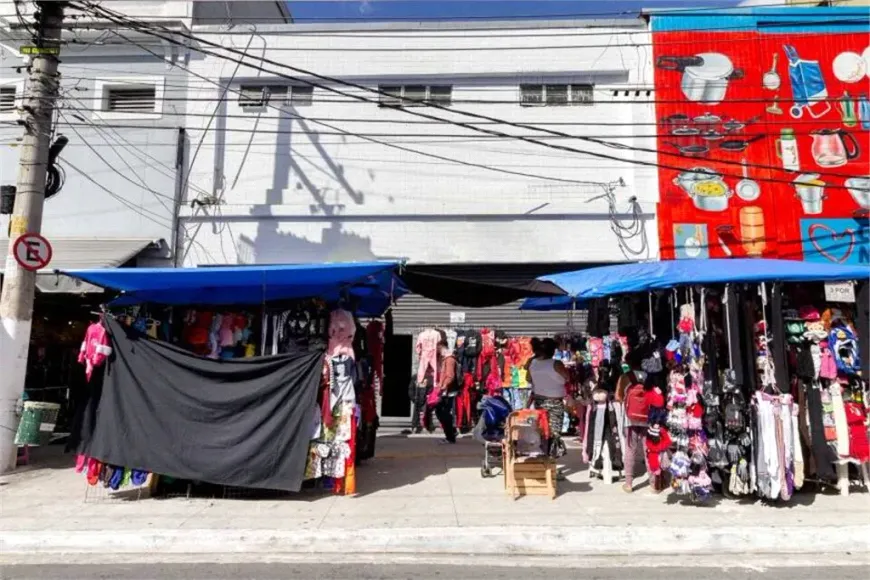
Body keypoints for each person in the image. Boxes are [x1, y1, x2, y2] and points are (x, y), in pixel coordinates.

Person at [615, 348, 665, 494]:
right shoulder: (650, 376)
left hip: (630, 419)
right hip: (648, 417)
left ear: (629, 363)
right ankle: (654, 483)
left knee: (630, 449)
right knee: (649, 449)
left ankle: (629, 483)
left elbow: (618, 396)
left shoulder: (626, 377)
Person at [527, 337, 571, 458]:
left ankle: (542, 457)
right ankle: (551, 464)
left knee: (541, 431)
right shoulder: (556, 364)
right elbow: (567, 378)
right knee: (554, 433)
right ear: (552, 351)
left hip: (539, 401)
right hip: (555, 402)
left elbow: (528, 379)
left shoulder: (532, 363)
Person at [433, 340, 459, 444]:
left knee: (443, 413)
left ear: (442, 347)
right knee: (441, 412)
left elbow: (450, 376)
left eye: (438, 349)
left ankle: (450, 437)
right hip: (446, 391)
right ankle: (451, 432)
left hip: (448, 391)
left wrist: (442, 387)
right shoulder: (446, 359)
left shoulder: (449, 360)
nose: (438, 351)